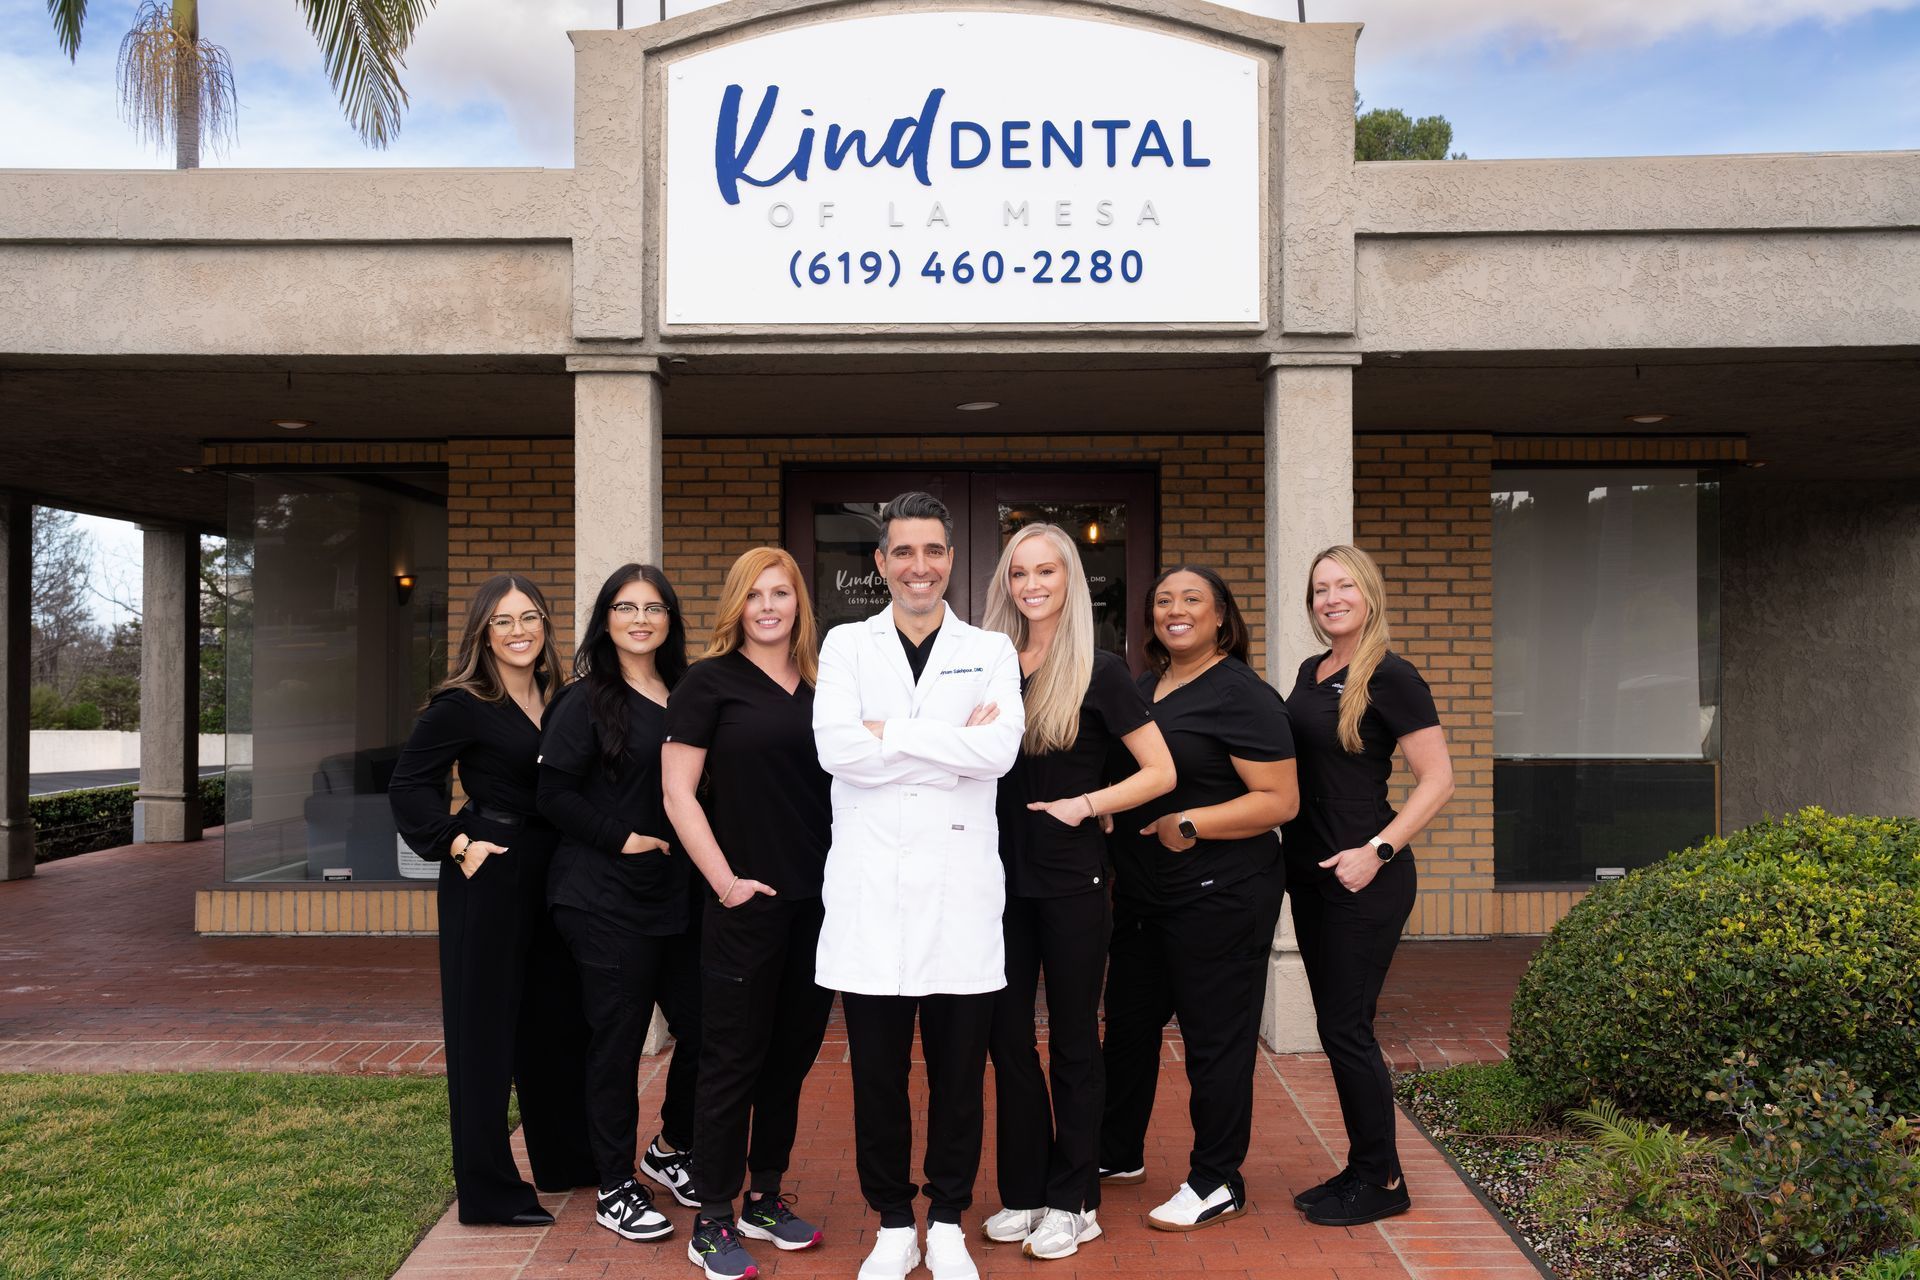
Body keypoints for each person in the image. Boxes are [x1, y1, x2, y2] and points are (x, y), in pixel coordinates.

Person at [812, 491, 1024, 1280]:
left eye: (933, 551)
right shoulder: (844, 646)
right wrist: (949, 744)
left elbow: (998, 752)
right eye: (903, 552)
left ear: (950, 560)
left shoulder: (990, 648)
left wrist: (888, 735)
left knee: (960, 1076)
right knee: (877, 1076)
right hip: (870, 890)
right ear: (881, 563)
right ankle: (893, 1221)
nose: (919, 566)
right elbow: (837, 750)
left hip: (961, 889)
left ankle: (948, 1220)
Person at [978, 523, 1175, 1260]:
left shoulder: (1104, 672)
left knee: (1070, 1041)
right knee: (1006, 1041)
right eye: (1020, 572)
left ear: (1070, 581)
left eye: (1046, 571)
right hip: (997, 883)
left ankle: (1076, 1199)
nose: (1031, 584)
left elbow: (1160, 773)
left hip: (1071, 880)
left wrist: (1088, 804)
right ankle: (1026, 1192)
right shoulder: (990, 664)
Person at [389, 573, 596, 1226]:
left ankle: (567, 1160)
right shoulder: (460, 704)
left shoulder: (562, 697)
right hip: (491, 874)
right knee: (485, 1034)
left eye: (530, 618)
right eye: (503, 621)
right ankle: (488, 1194)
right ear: (482, 632)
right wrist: (456, 843)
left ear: (546, 627)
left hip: (556, 876)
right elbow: (409, 785)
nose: (519, 631)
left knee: (557, 1024)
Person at [1099, 566, 1299, 1232]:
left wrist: (1190, 823)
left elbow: (1280, 801)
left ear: (1221, 618)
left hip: (1221, 894)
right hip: (1146, 896)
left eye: (1191, 600)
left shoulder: (1242, 694)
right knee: (1128, 1026)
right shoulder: (1148, 686)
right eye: (1162, 600)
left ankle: (1218, 1178)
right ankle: (1116, 1151)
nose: (1174, 610)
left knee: (1215, 1039)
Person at [662, 547, 836, 1280]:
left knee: (791, 1058)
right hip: (745, 905)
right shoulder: (709, 684)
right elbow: (678, 796)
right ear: (736, 605)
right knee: (732, 1061)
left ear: (799, 602)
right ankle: (712, 1218)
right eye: (754, 594)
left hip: (819, 907)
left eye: (782, 593)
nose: (769, 606)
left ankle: (765, 1196)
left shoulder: (824, 685)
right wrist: (727, 882)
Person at [1284, 545, 1453, 1228]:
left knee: (1347, 1027)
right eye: (1320, 589)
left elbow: (1438, 780)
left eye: (1343, 586)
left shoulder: (1392, 675)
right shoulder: (1312, 670)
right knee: (1336, 1027)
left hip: (1366, 876)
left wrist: (1378, 850)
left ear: (1369, 594)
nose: (1331, 599)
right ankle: (1362, 1166)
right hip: (1311, 873)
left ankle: (1382, 1179)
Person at [536, 563, 702, 1245]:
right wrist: (622, 838)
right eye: (626, 607)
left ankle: (670, 1149)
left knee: (709, 1025)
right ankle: (614, 1184)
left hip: (677, 896)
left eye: (654, 607)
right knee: (618, 1039)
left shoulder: (689, 694)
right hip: (602, 897)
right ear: (606, 619)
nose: (641, 619)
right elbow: (552, 796)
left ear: (670, 620)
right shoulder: (585, 699)